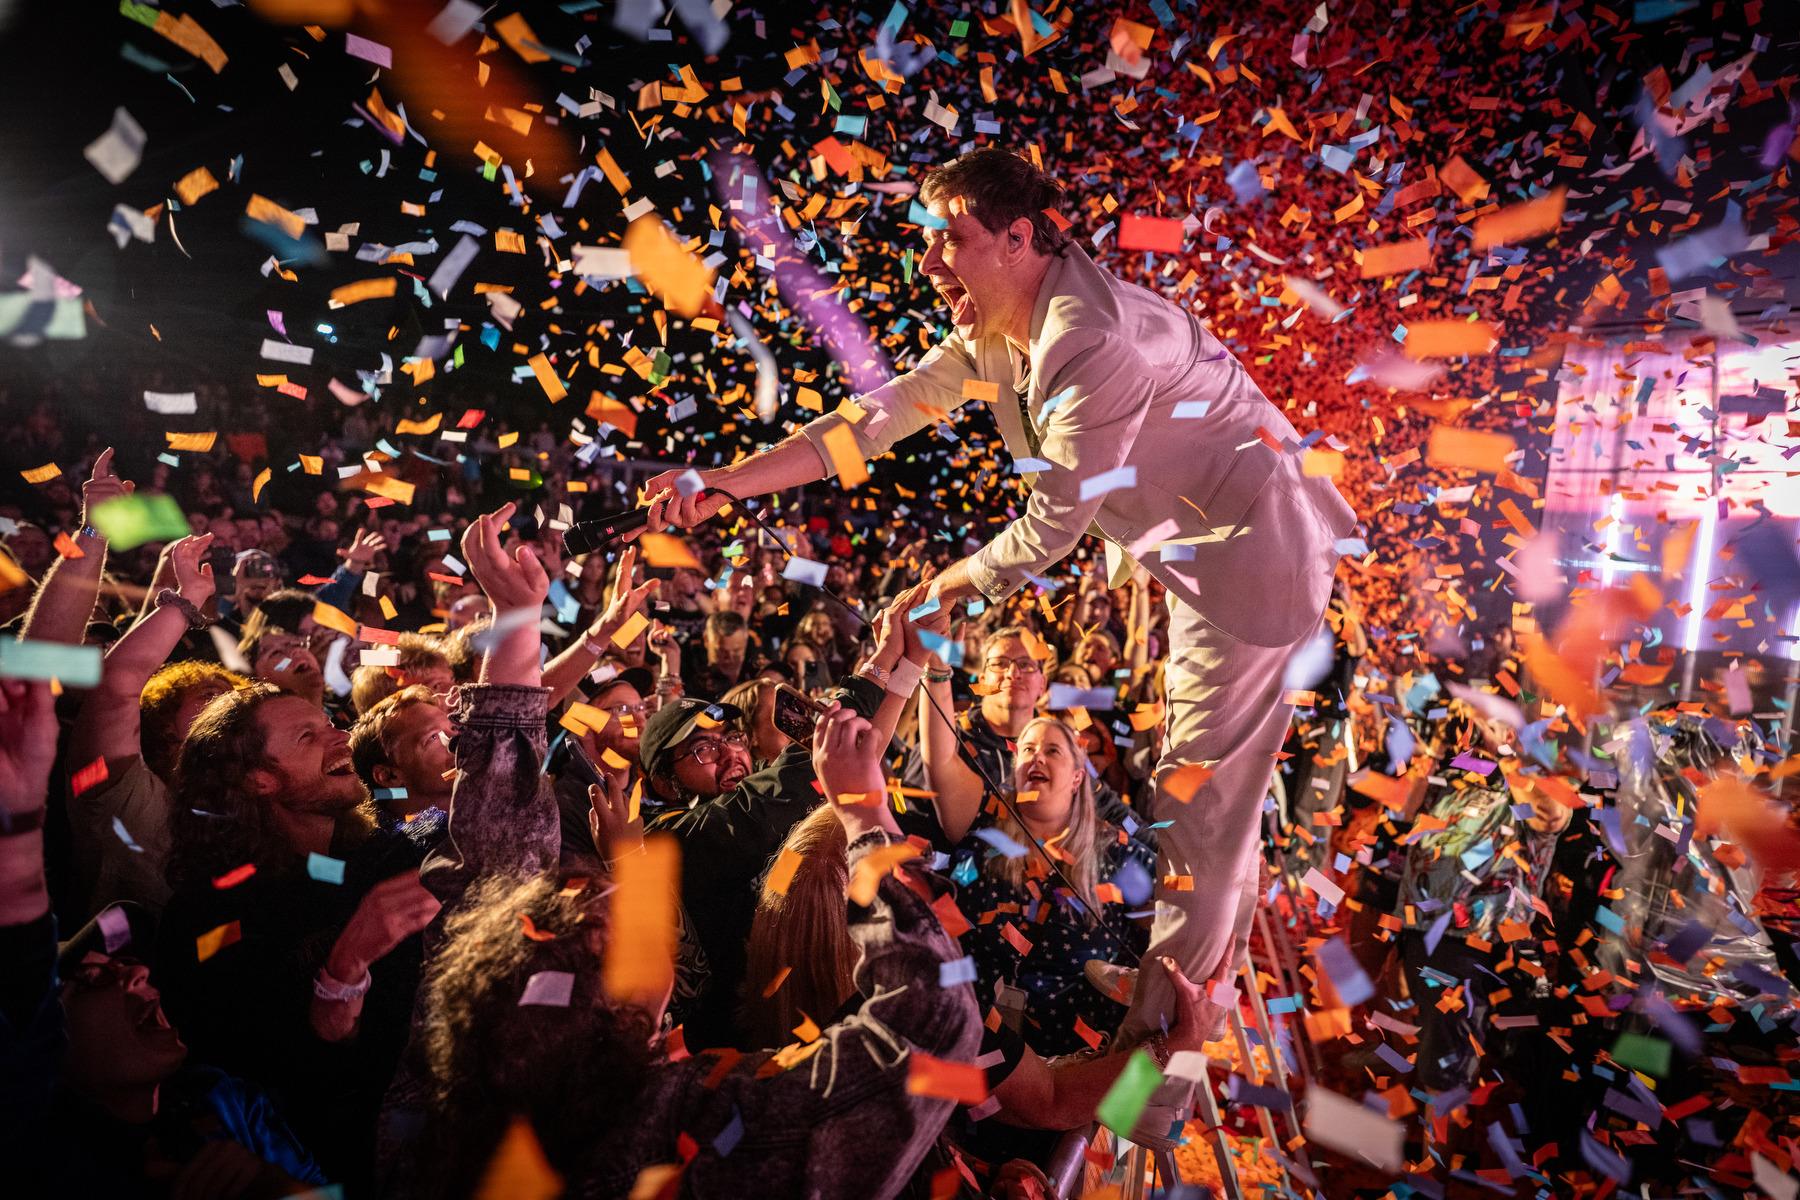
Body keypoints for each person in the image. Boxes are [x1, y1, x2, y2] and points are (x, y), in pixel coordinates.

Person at [639, 147, 1357, 1049]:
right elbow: (877, 417)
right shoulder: (998, 327)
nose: (930, 263)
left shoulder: (1086, 342)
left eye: (952, 241)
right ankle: (1177, 1011)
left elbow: (1051, 527)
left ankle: (1156, 1068)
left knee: (1201, 810)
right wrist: (729, 480)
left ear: (1019, 239)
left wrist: (940, 589)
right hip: (1200, 553)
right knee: (1211, 800)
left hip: (1254, 561)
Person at [0, 679, 328, 1198]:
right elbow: (195, 952)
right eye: (90, 976)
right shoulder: (32, 1157)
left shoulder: (223, 1101)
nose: (136, 970)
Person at [919, 711, 1155, 1056]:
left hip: (1086, 1061)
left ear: (1077, 778)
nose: (1037, 757)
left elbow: (1184, 908)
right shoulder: (983, 844)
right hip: (983, 1050)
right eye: (1027, 750)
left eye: (1052, 751)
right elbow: (948, 940)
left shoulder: (1116, 854)